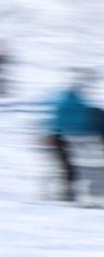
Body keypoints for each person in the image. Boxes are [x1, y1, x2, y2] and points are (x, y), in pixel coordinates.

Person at [45, 72, 104, 201]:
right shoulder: (91, 110)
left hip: (64, 141)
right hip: (87, 143)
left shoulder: (61, 105)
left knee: (69, 167)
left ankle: (68, 192)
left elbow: (52, 125)